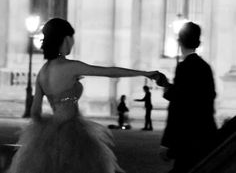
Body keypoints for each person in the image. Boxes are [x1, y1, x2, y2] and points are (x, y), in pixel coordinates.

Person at [7, 18, 160, 173]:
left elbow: (34, 113)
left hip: (50, 135)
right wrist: (144, 73)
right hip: (72, 133)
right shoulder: (70, 67)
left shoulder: (43, 72)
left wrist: (47, 133)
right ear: (65, 39)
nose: (73, 43)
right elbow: (109, 72)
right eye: (71, 38)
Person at [156, 22, 218, 173]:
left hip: (187, 137)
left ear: (179, 41)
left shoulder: (183, 67)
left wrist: (166, 142)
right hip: (205, 132)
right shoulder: (205, 67)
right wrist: (169, 88)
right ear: (198, 42)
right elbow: (194, 96)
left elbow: (178, 106)